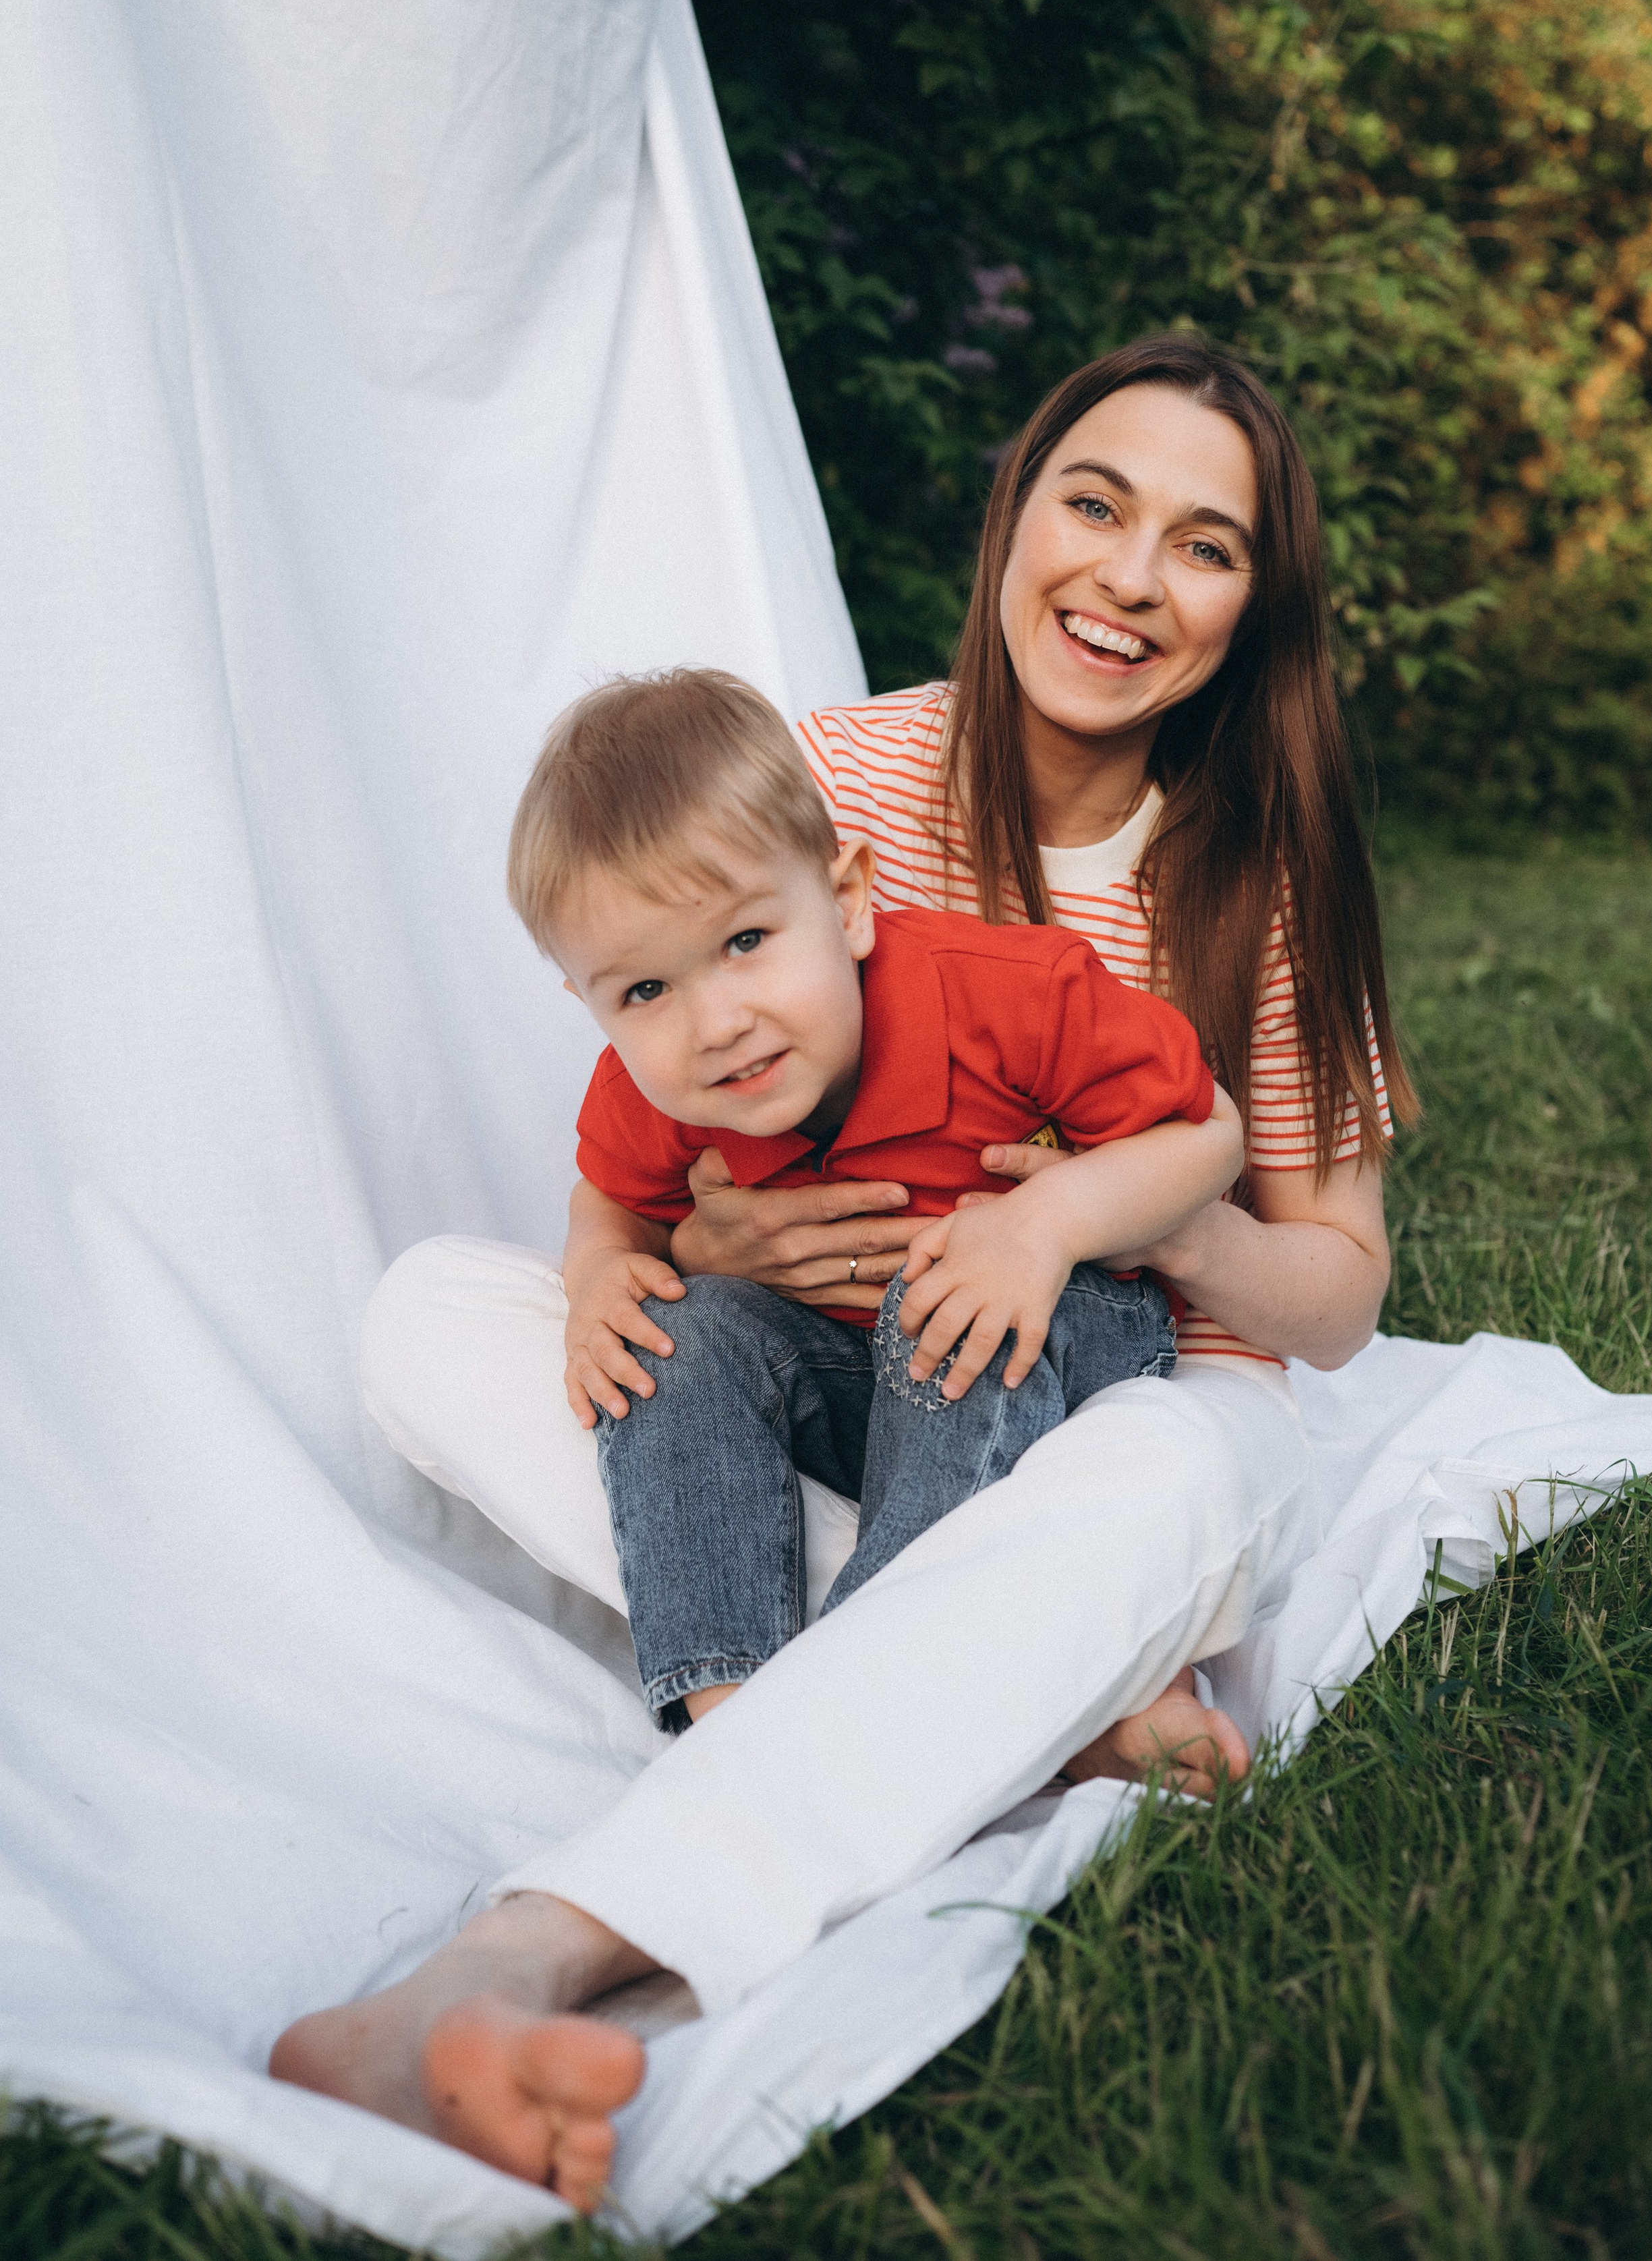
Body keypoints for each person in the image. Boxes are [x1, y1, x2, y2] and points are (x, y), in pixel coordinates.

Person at [272, 335, 1416, 2211]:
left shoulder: (1262, 877)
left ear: (1255, 606)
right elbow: (675, 1098)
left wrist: (1091, 1216)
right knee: (436, 1315)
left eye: (1205, 548)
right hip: (808, 1375)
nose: (1132, 575)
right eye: (1097, 504)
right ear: (1016, 513)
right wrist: (698, 1251)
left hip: (1137, 1400)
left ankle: (510, 1966)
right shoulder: (835, 770)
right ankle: (1025, 1689)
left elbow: (1344, 1290)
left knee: (1160, 1483)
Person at [511, 666, 1245, 1731]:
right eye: (645, 990)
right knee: (671, 1336)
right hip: (848, 1378)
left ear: (847, 900)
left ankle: (867, 1695)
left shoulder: (1010, 997)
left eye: (746, 942)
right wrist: (597, 1275)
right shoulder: (650, 1087)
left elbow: (1201, 1139)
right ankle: (731, 1707)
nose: (714, 1022)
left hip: (1063, 1340)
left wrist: (1045, 1224)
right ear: (587, 1001)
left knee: (943, 1297)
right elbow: (609, 1202)